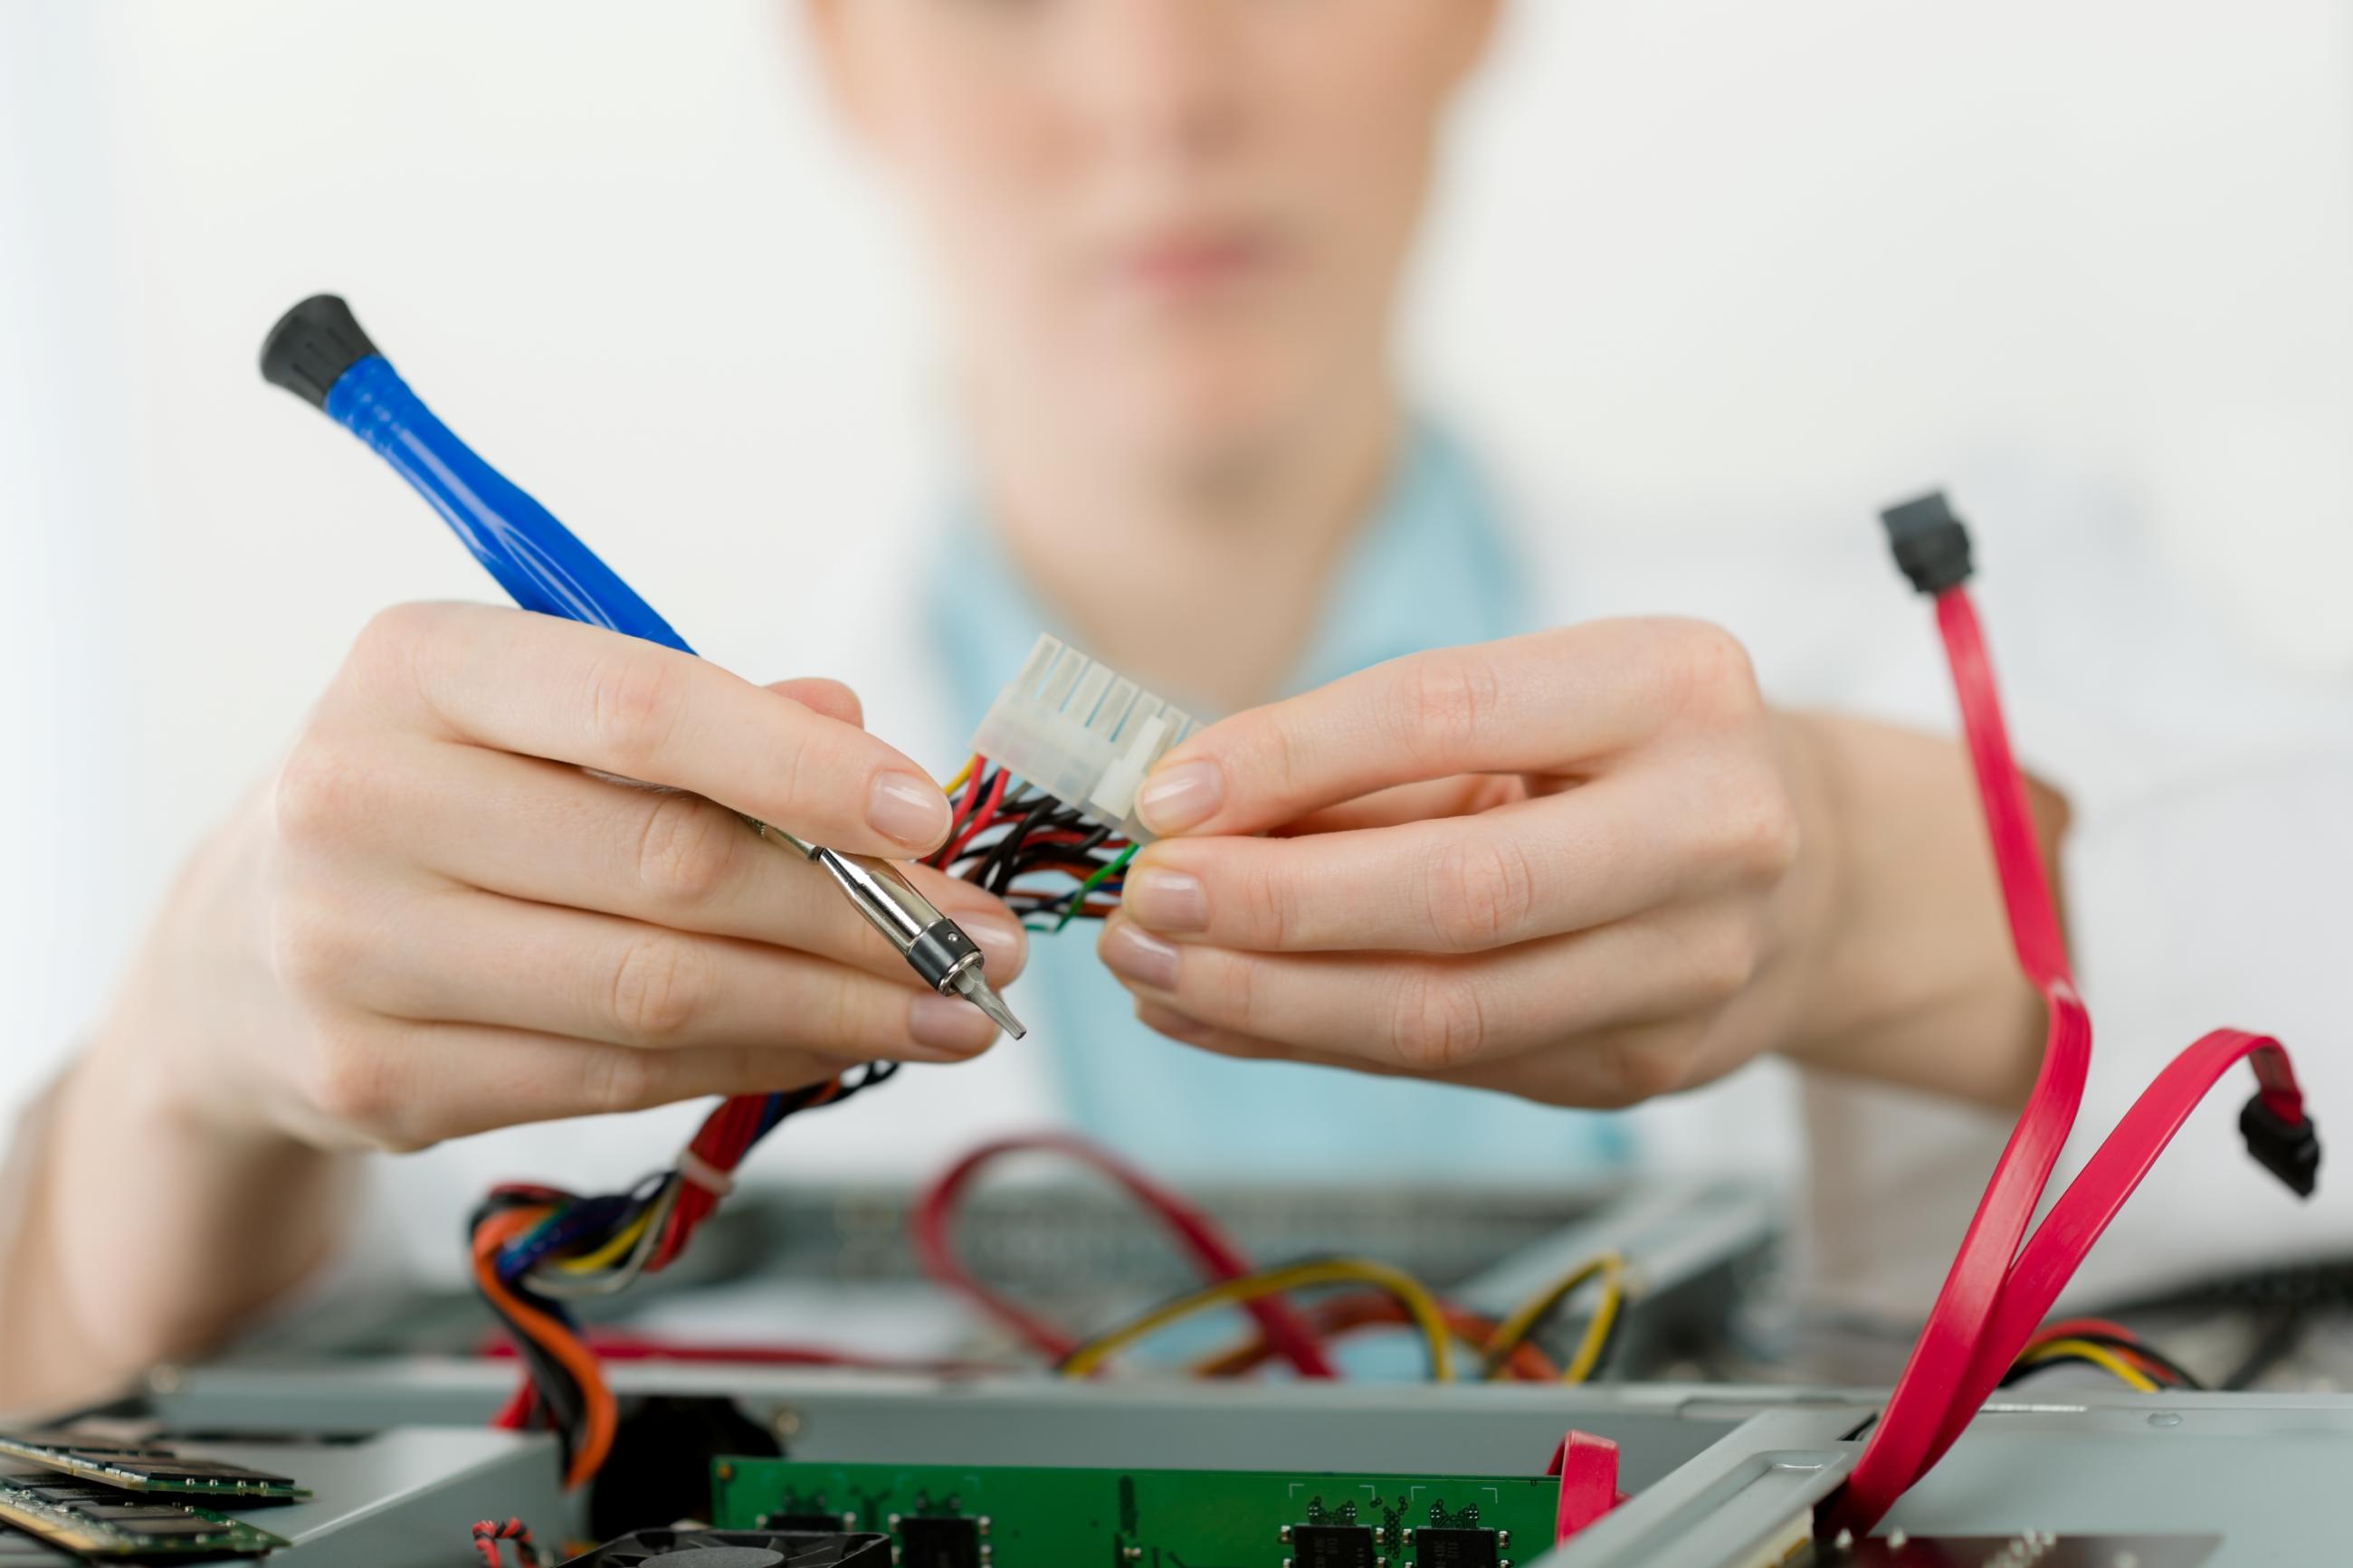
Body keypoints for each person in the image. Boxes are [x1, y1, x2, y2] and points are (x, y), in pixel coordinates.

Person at [5, 0, 2348, 1413]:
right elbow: (87, 1419)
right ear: (843, 49)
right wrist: (185, 1087)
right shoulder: (477, 827)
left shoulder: (1988, 605)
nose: (1157, 88)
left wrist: (1890, 888)